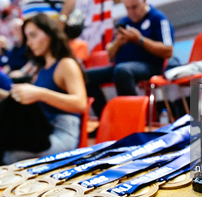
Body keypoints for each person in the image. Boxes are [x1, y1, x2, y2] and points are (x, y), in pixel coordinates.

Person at [1, 13, 87, 165]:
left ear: (50, 33)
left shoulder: (66, 64)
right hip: (42, 130)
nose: (29, 43)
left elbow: (81, 104)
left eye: (33, 35)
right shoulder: (41, 68)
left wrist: (40, 94)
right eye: (27, 37)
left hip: (61, 133)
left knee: (8, 156)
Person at [86, 0, 174, 117]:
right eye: (127, 8)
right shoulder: (124, 22)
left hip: (150, 66)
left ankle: (132, 118)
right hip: (121, 67)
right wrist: (118, 42)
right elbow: (110, 54)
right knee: (85, 77)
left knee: (123, 71)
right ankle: (106, 119)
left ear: (143, 2)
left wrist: (139, 40)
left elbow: (168, 51)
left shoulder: (158, 18)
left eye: (134, 7)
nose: (131, 12)